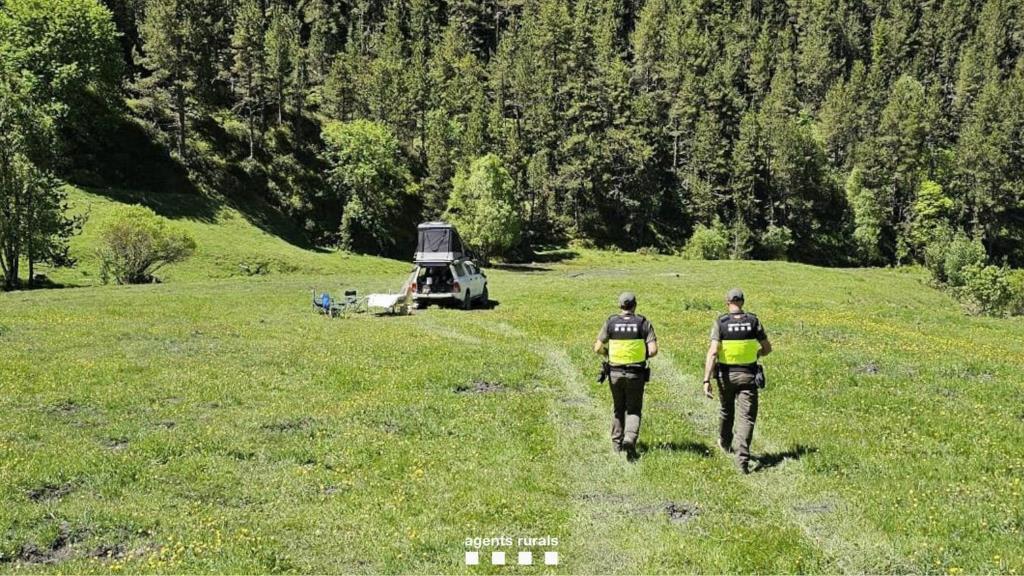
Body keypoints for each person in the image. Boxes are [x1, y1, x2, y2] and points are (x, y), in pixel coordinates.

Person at [701, 288, 772, 474]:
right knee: (746, 417)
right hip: (748, 376)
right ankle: (742, 458)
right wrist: (758, 353)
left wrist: (706, 380)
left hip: (725, 376)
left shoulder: (721, 322)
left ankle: (725, 442)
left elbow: (713, 352)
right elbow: (767, 348)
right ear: (743, 302)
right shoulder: (753, 321)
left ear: (727, 302)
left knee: (726, 410)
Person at [594, 292, 658, 460]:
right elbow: (653, 350)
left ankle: (617, 445)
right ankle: (630, 438)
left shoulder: (611, 322)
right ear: (635, 305)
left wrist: (607, 353)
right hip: (636, 374)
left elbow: (597, 347)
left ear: (620, 306)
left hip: (614, 373)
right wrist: (641, 356)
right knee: (634, 409)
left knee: (618, 408)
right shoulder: (643, 323)